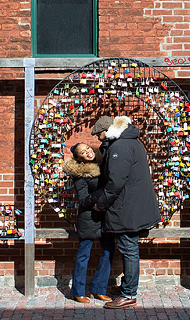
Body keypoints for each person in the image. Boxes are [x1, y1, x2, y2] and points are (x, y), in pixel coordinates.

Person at [92, 115, 160, 309]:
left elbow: (116, 182)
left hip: (126, 208)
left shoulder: (119, 147)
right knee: (129, 249)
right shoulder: (132, 142)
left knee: (129, 249)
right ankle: (126, 287)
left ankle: (129, 294)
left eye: (99, 135)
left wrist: (101, 204)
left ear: (107, 131)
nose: (99, 140)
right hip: (133, 206)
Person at [62, 142, 114, 303]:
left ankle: (99, 289)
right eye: (83, 152)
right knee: (84, 254)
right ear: (79, 158)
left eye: (88, 149)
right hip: (89, 218)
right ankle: (77, 291)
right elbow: (83, 200)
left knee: (109, 251)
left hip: (105, 216)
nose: (88, 152)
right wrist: (104, 191)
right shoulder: (80, 174)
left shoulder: (102, 163)